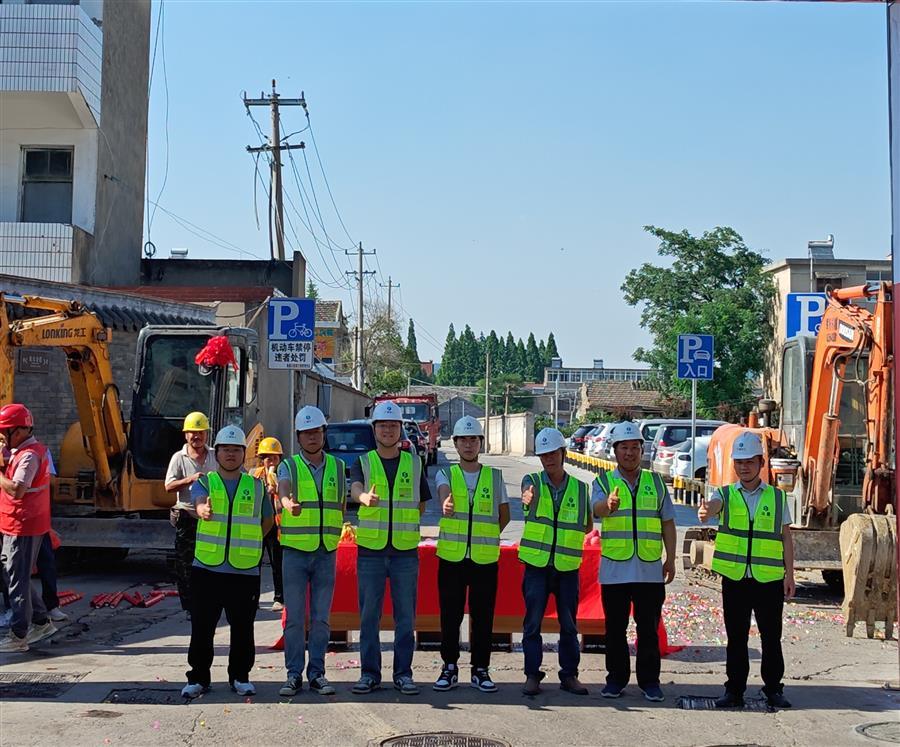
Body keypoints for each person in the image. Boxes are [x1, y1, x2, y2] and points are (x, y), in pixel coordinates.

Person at [698, 430, 795, 709]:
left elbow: (786, 538)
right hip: (736, 578)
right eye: (739, 462)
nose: (744, 467)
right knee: (736, 638)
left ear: (761, 463)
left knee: (771, 638)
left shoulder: (777, 498)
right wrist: (707, 511)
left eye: (750, 461)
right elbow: (713, 507)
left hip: (769, 579)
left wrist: (790, 575)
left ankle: (773, 689)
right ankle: (734, 691)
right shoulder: (725, 495)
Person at [182, 425, 274, 699]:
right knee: (202, 627)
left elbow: (267, 521)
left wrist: (248, 542)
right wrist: (202, 510)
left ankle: (240, 676)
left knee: (243, 628)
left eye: (236, 450)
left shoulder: (256, 486)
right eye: (225, 450)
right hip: (207, 568)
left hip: (244, 569)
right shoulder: (206, 482)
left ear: (244, 454)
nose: (231, 454)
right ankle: (198, 678)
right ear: (217, 453)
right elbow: (198, 503)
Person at [349, 400, 432, 696]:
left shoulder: (414, 462)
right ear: (374, 430)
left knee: (405, 618)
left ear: (400, 430)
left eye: (392, 425)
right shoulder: (363, 462)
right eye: (382, 425)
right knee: (369, 617)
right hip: (371, 552)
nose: (387, 430)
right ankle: (369, 674)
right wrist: (363, 498)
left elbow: (421, 503)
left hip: (404, 553)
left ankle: (403, 674)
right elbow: (355, 488)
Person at [592, 421, 676, 702]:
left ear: (642, 450)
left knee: (648, 630)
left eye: (634, 448)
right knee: (615, 630)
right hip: (615, 570)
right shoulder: (603, 482)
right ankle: (616, 680)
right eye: (624, 448)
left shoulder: (656, 482)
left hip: (649, 570)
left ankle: (650, 682)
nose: (629, 453)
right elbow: (595, 509)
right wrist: (608, 506)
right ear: (614, 451)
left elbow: (668, 523)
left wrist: (671, 559)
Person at [433, 416, 509, 693]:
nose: (468, 444)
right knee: (450, 616)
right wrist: (446, 503)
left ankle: (480, 669)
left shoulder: (495, 477)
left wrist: (484, 538)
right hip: (452, 558)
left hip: (484, 559)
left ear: (480, 443)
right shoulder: (446, 475)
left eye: (473, 439)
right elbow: (443, 494)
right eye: (463, 440)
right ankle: (449, 667)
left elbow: (504, 515)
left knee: (483, 616)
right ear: (455, 444)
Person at [276, 406, 346, 697]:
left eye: (316, 432)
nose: (312, 437)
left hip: (326, 552)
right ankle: (293, 674)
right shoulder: (288, 466)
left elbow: (341, 505)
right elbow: (282, 490)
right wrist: (286, 503)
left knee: (320, 618)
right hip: (295, 553)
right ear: (298, 437)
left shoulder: (338, 467)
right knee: (294, 618)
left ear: (323, 434)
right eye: (306, 433)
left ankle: (317, 673)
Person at [519, 427, 592, 696]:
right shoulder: (532, 482)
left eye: (553, 453)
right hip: (537, 566)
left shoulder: (580, 489)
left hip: (567, 568)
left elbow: (587, 526)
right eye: (543, 455)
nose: (548, 459)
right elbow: (526, 497)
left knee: (569, 626)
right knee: (532, 624)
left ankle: (569, 675)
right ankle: (532, 675)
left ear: (563, 453)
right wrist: (527, 498)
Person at [0, 404, 56, 653]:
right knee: (15, 574)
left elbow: (17, 489)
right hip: (16, 523)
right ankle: (41, 622)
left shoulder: (29, 456)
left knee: (17, 580)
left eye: (5, 432)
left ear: (19, 431)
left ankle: (19, 635)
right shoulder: (20, 452)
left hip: (23, 524)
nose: (2, 437)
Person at [165, 412, 217, 619]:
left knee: (212, 563)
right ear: (186, 435)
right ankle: (190, 607)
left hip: (211, 517)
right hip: (187, 517)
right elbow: (168, 486)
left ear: (206, 434)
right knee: (186, 565)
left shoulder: (215, 455)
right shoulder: (179, 458)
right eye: (193, 433)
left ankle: (210, 602)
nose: (197, 437)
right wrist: (190, 479)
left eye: (201, 433)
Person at [251, 437, 285, 611]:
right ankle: (253, 598)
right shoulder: (254, 474)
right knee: (254, 563)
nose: (271, 461)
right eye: (267, 458)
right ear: (262, 459)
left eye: (274, 458)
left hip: (276, 526)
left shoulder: (284, 474)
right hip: (258, 523)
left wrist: (277, 487)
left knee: (277, 563)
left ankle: (279, 597)